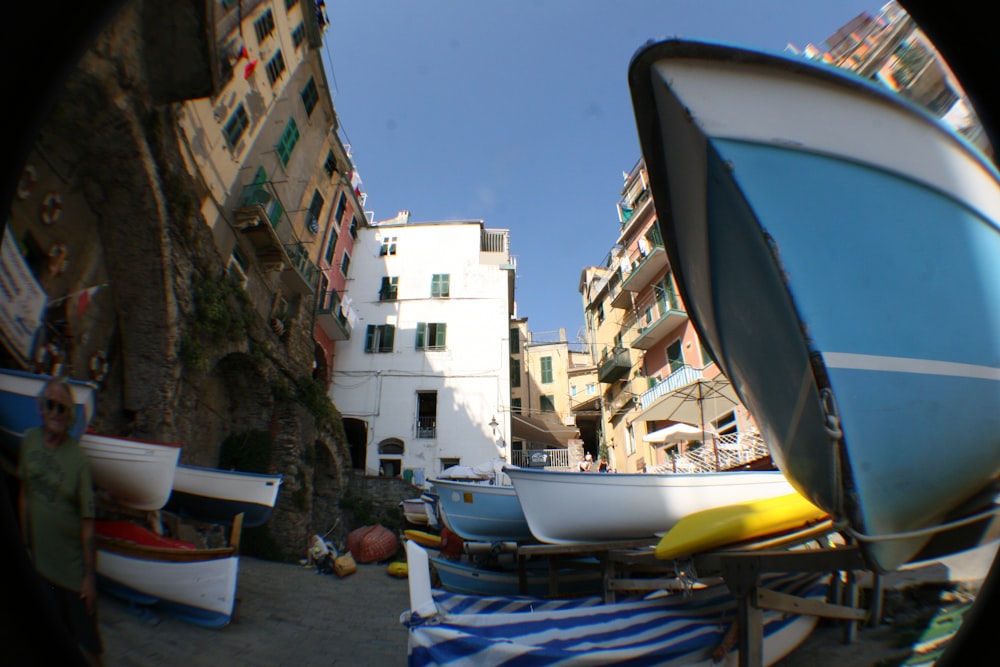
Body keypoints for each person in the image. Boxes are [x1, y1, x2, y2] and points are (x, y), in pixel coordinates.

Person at [18, 377, 103, 666]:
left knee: (89, 648)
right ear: (41, 408)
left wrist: (89, 578)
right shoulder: (29, 440)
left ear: (69, 416)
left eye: (62, 408)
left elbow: (87, 523)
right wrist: (25, 543)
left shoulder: (78, 461)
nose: (55, 412)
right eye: (50, 405)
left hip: (71, 576)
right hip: (42, 568)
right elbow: (25, 492)